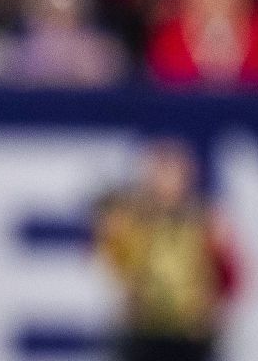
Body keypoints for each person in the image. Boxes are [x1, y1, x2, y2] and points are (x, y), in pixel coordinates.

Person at [94, 139, 239, 361]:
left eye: (170, 173)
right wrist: (112, 237)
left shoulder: (204, 221)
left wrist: (211, 305)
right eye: (158, 172)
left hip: (191, 334)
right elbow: (116, 267)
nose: (163, 181)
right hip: (143, 331)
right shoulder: (135, 221)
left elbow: (231, 278)